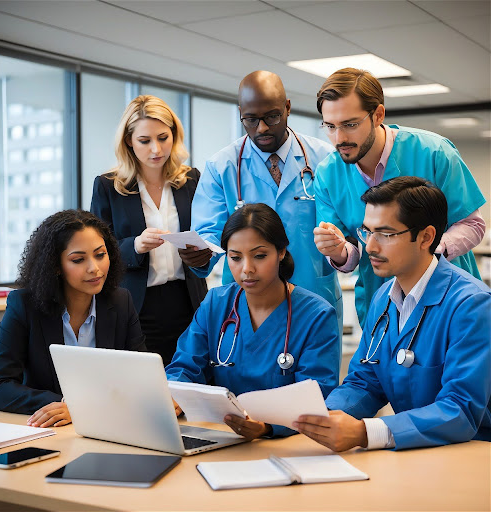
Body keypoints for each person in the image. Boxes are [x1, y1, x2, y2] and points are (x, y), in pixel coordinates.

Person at [293, 177, 491, 451]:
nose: (370, 247)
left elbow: (460, 410)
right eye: (367, 232)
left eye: (385, 234)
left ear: (426, 237)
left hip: (470, 453)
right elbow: (365, 381)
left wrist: (366, 432)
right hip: (413, 452)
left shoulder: (471, 305)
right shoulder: (383, 298)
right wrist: (323, 418)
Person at [313, 67, 486, 326]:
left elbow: (473, 225)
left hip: (447, 296)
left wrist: (425, 252)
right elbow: (350, 251)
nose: (339, 138)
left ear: (378, 115)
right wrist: (338, 252)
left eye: (350, 124)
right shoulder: (328, 173)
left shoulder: (434, 152)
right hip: (381, 303)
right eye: (330, 126)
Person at [166, 203, 340, 440]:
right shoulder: (216, 304)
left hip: (290, 442)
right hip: (222, 436)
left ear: (281, 252)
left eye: (259, 256)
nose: (247, 269)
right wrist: (173, 394)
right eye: (235, 258)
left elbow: (316, 396)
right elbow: (184, 367)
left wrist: (268, 426)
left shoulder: (316, 315)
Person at [187, 70, 343, 332]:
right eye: (250, 119)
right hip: (247, 301)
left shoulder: (325, 159)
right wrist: (200, 256)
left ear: (287, 108)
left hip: (313, 296)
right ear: (240, 114)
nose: (261, 128)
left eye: (272, 116)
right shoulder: (221, 166)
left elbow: (344, 228)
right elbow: (208, 237)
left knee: (314, 372)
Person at [0, 210, 147, 427]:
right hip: (48, 433)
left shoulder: (121, 302)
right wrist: (63, 404)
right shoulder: (24, 305)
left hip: (108, 426)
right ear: (55, 265)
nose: (95, 268)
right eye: (79, 259)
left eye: (100, 255)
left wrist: (85, 407)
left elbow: (141, 380)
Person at [91, 95, 207, 365]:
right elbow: (97, 250)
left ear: (174, 135)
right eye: (145, 141)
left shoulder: (191, 180)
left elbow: (208, 232)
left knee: (189, 384)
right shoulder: (108, 186)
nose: (156, 149)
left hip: (187, 301)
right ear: (129, 141)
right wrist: (134, 246)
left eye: (163, 138)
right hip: (136, 305)